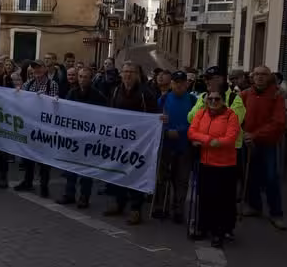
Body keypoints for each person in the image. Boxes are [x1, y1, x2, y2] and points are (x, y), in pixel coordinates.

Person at [104, 61, 159, 225]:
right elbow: (109, 112)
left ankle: (136, 208)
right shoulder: (115, 91)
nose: (127, 75)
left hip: (139, 142)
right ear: (121, 74)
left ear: (136, 75)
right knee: (119, 171)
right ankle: (119, 203)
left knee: (135, 173)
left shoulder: (145, 93)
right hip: (119, 140)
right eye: (125, 71)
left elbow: (154, 116)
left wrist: (160, 120)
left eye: (131, 72)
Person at [188, 89, 241, 248]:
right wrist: (209, 140)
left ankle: (220, 231)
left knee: (222, 200)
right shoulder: (201, 114)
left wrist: (214, 142)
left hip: (225, 165)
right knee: (205, 196)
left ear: (223, 101)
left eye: (216, 99)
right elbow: (192, 132)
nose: (212, 102)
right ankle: (204, 227)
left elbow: (230, 138)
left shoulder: (231, 115)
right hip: (205, 162)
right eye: (209, 99)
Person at [240, 65, 287, 229]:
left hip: (267, 143)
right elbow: (236, 116)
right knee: (250, 175)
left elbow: (278, 122)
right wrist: (244, 134)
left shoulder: (277, 96)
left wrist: (255, 135)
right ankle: (255, 206)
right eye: (257, 74)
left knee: (271, 177)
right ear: (252, 77)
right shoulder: (245, 94)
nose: (260, 77)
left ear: (269, 77)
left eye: (264, 74)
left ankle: (276, 213)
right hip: (248, 142)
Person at [59, 66, 106, 207]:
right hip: (74, 138)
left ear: (90, 79)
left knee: (86, 169)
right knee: (70, 168)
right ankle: (69, 194)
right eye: (80, 76)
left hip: (89, 139)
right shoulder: (72, 93)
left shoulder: (98, 96)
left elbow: (103, 117)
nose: (82, 79)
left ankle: (84, 197)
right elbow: (65, 112)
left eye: (85, 77)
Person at [154, 71, 197, 223]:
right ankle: (161, 206)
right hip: (166, 144)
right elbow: (156, 121)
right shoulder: (163, 99)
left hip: (184, 146)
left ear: (187, 83)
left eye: (181, 81)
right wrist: (166, 131)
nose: (178, 84)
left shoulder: (193, 100)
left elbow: (196, 123)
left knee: (182, 179)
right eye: (175, 81)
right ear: (171, 83)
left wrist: (179, 131)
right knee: (162, 178)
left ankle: (178, 209)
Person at [14, 60, 58, 198]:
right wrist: (18, 93)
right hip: (31, 125)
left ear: (45, 69)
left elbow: (55, 105)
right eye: (34, 68)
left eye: (39, 67)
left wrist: (46, 99)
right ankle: (28, 181)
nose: (36, 70)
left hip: (45, 127)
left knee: (44, 159)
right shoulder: (29, 84)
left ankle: (44, 185)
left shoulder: (52, 84)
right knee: (29, 155)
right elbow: (21, 101)